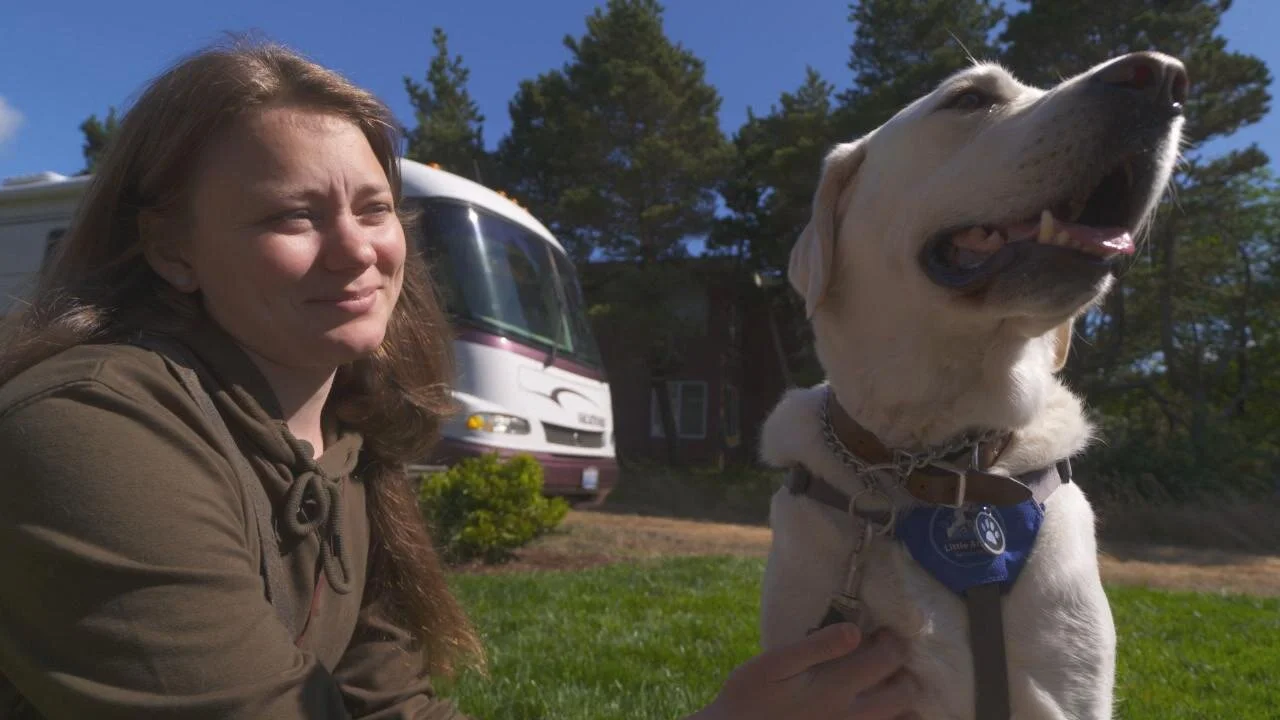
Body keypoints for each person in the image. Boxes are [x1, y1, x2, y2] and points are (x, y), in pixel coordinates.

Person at [0, 38, 914, 719]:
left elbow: (392, 706)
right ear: (171, 249)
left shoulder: (345, 448)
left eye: (374, 208)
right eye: (292, 216)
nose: (359, 251)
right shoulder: (88, 436)